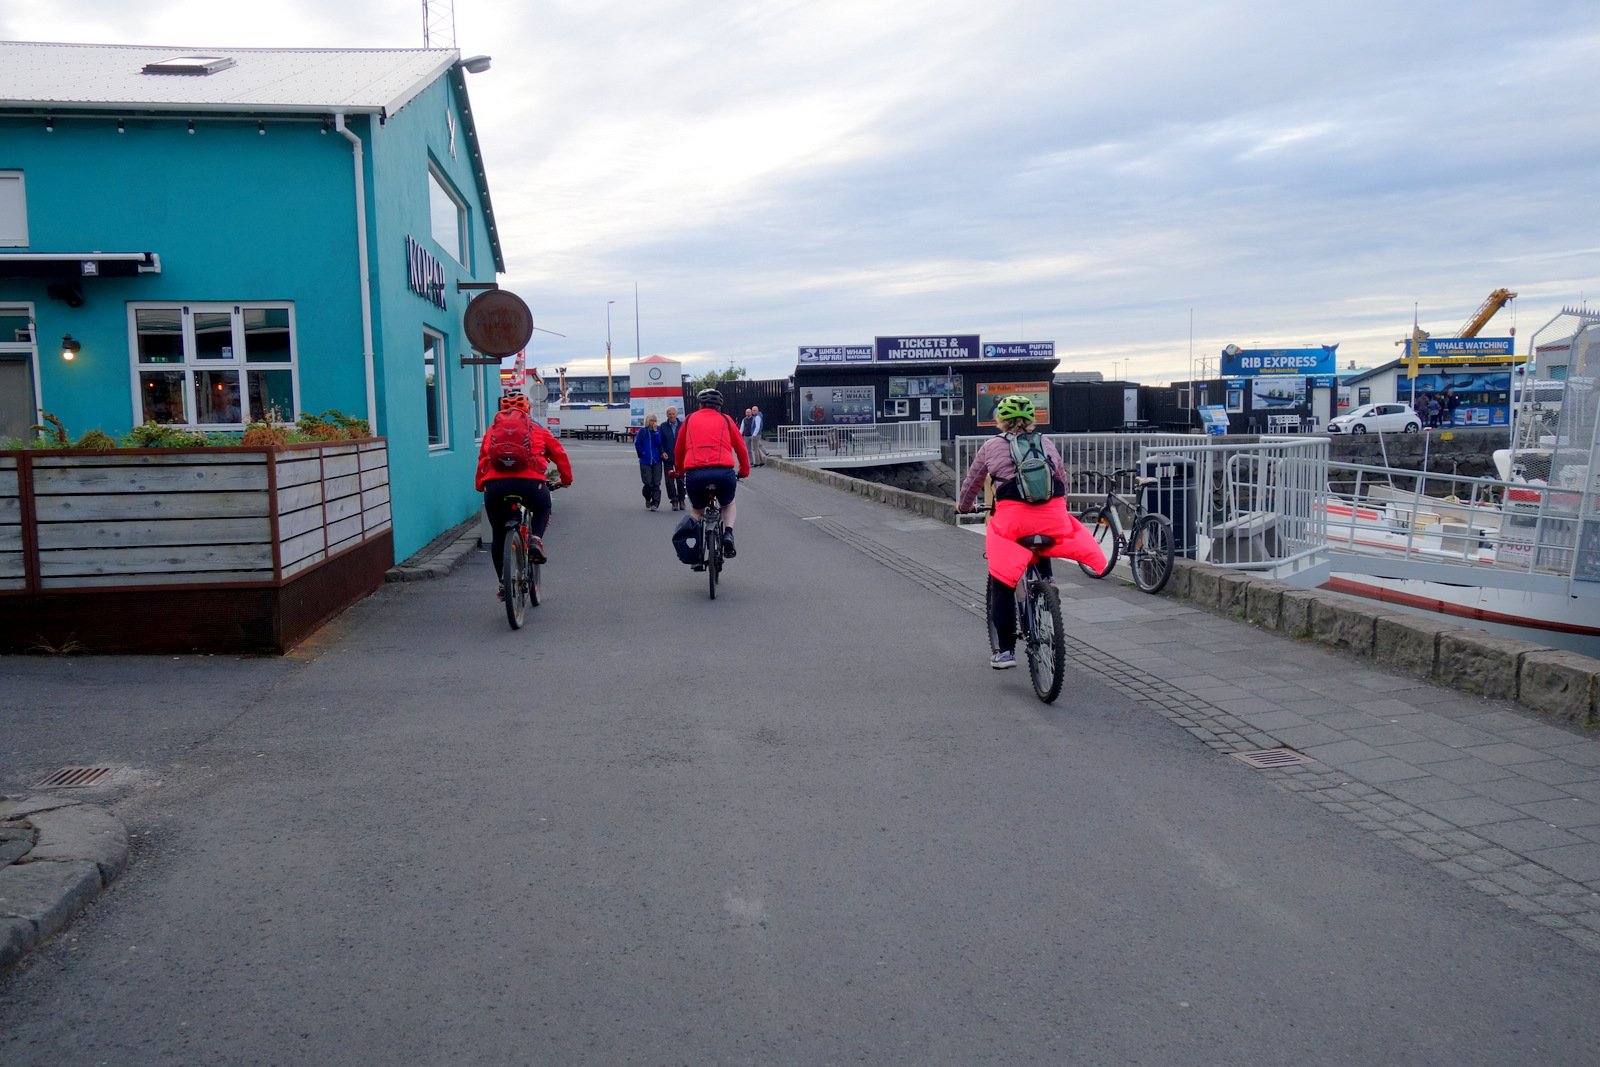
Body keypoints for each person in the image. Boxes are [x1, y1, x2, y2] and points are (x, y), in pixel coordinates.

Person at [955, 394, 1105, 669]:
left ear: (1000, 420)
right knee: (1042, 536)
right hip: (1053, 515)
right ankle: (1048, 581)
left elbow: (972, 481)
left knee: (1002, 580)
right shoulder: (1045, 442)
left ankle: (1005, 652)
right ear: (1031, 419)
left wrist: (963, 507)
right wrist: (1057, 507)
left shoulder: (991, 446)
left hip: (1013, 520)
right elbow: (1060, 479)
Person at [476, 393, 573, 595]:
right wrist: (566, 480)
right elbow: (559, 454)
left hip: (495, 486)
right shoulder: (538, 429)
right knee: (543, 507)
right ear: (527, 409)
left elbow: (483, 459)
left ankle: (503, 583)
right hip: (531, 484)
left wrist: (480, 485)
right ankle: (535, 539)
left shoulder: (492, 431)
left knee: (498, 534)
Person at [674, 388, 750, 558]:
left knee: (697, 510)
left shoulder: (689, 419)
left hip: (695, 474)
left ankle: (694, 547)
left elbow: (678, 450)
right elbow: (741, 448)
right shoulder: (726, 420)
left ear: (700, 405)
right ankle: (728, 533)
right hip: (723, 473)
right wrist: (744, 471)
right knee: (728, 504)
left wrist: (679, 470)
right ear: (719, 406)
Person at [635, 413, 666, 510]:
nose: (653, 423)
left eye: (654, 421)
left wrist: (656, 432)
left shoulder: (658, 430)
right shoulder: (642, 431)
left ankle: (655, 503)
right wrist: (642, 453)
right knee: (648, 482)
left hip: (657, 460)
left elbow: (659, 443)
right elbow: (637, 443)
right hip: (645, 460)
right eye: (651, 420)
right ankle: (648, 498)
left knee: (656, 483)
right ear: (647, 421)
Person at [659, 406, 685, 510]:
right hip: (668, 456)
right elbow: (660, 441)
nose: (671, 416)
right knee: (669, 480)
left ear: (676, 414)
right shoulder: (663, 426)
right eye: (669, 414)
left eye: (673, 414)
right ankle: (674, 500)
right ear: (667, 415)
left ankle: (681, 499)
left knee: (681, 479)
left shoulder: (682, 425)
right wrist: (662, 452)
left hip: (680, 457)